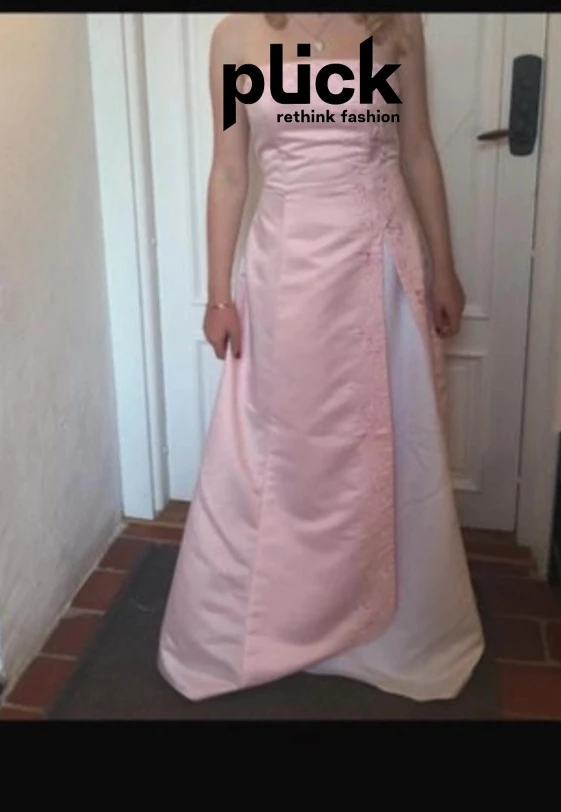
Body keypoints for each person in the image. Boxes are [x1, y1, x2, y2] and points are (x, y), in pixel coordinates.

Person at [156, 13, 485, 701]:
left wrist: (446, 269)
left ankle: (389, 628)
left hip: (380, 267)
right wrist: (218, 297)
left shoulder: (398, 23)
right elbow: (228, 173)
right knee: (291, 449)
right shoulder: (236, 37)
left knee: (385, 437)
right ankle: (287, 616)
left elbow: (419, 151)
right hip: (288, 273)